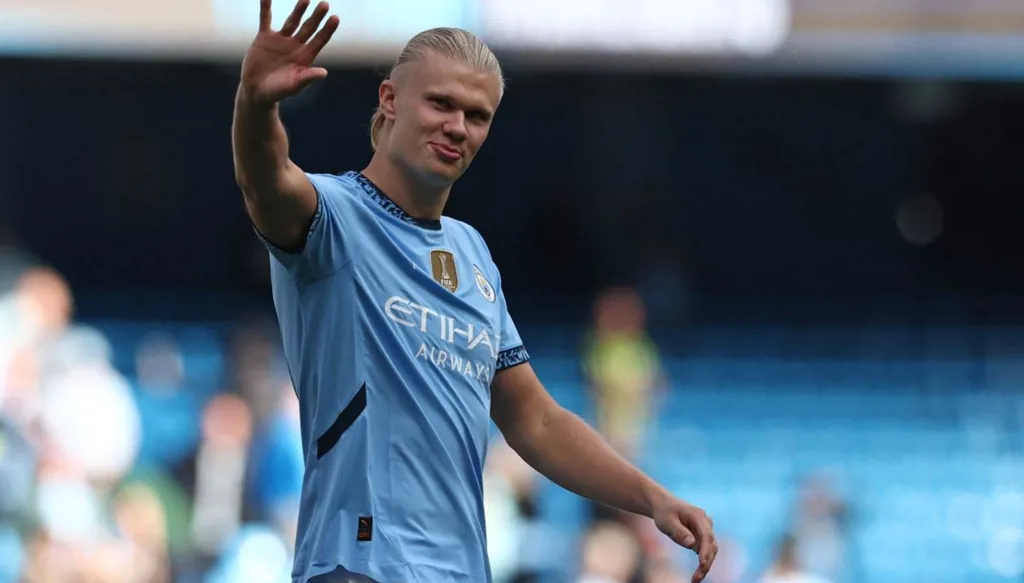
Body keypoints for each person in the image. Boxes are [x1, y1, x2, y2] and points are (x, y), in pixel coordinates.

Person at [231, 2, 718, 583]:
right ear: (390, 99)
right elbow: (265, 181)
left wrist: (651, 498)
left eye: (477, 115)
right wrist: (255, 103)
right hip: (357, 564)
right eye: (441, 103)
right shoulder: (332, 217)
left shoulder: (472, 253)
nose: (458, 126)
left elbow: (535, 420)